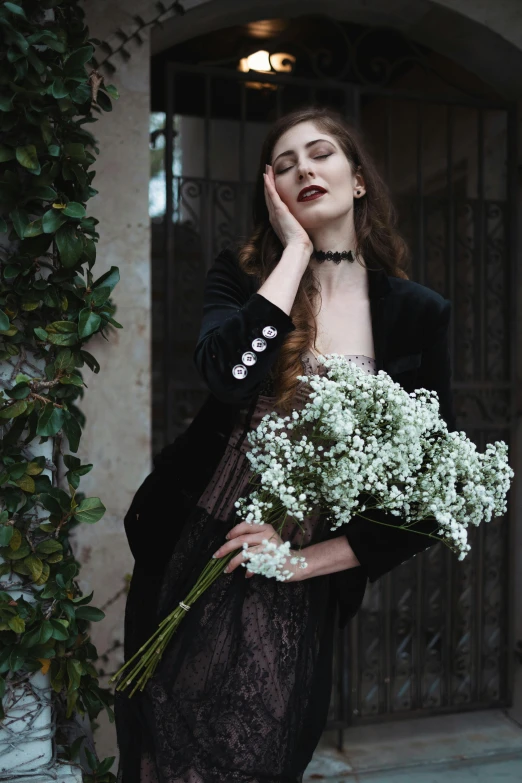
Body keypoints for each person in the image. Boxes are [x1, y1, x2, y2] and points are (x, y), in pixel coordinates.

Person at [114, 106, 456, 783]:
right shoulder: (242, 280)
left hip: (293, 577)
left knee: (257, 757)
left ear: (358, 180)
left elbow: (429, 491)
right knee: (158, 751)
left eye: (321, 153)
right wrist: (295, 253)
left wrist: (299, 563)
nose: (304, 168)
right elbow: (226, 372)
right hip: (191, 546)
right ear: (271, 191)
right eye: (285, 162)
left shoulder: (416, 313)